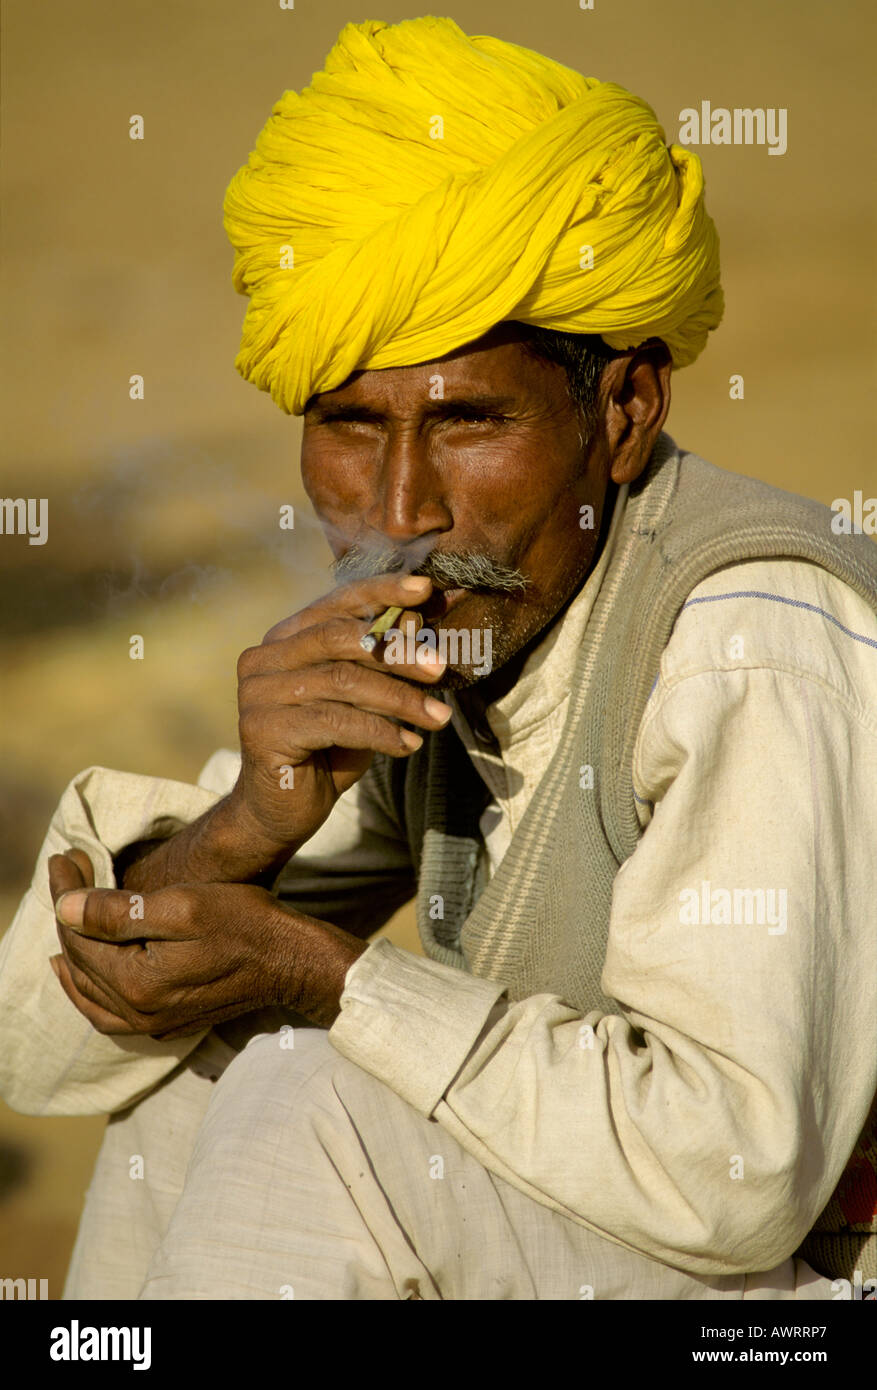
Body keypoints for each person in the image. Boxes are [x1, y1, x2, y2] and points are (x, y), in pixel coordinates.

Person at [1, 16, 875, 1301]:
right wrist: (245, 827)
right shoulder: (447, 639)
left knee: (315, 1100)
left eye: (468, 421)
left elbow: (735, 1178)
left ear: (622, 412)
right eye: (351, 425)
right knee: (200, 1066)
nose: (402, 504)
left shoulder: (739, 642)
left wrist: (324, 975)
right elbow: (39, 1058)